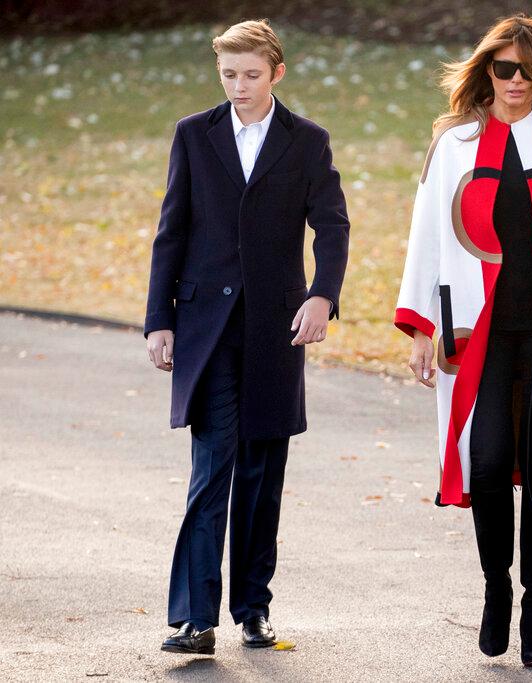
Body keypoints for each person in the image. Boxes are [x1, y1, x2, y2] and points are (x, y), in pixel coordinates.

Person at [393, 14, 532, 668]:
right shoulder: (454, 141)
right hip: (473, 327)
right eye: (503, 68)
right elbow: (426, 234)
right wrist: (421, 324)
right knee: (486, 463)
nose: (515, 81)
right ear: (487, 70)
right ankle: (495, 589)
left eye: (528, 70)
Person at [144, 19, 349, 655]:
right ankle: (193, 618)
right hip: (205, 330)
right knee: (211, 471)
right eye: (229, 74)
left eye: (251, 75)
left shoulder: (307, 142)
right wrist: (160, 319)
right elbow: (171, 230)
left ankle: (253, 610)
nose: (239, 86)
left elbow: (333, 227)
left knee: (262, 474)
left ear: (276, 74)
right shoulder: (193, 135)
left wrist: (322, 295)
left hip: (276, 331)